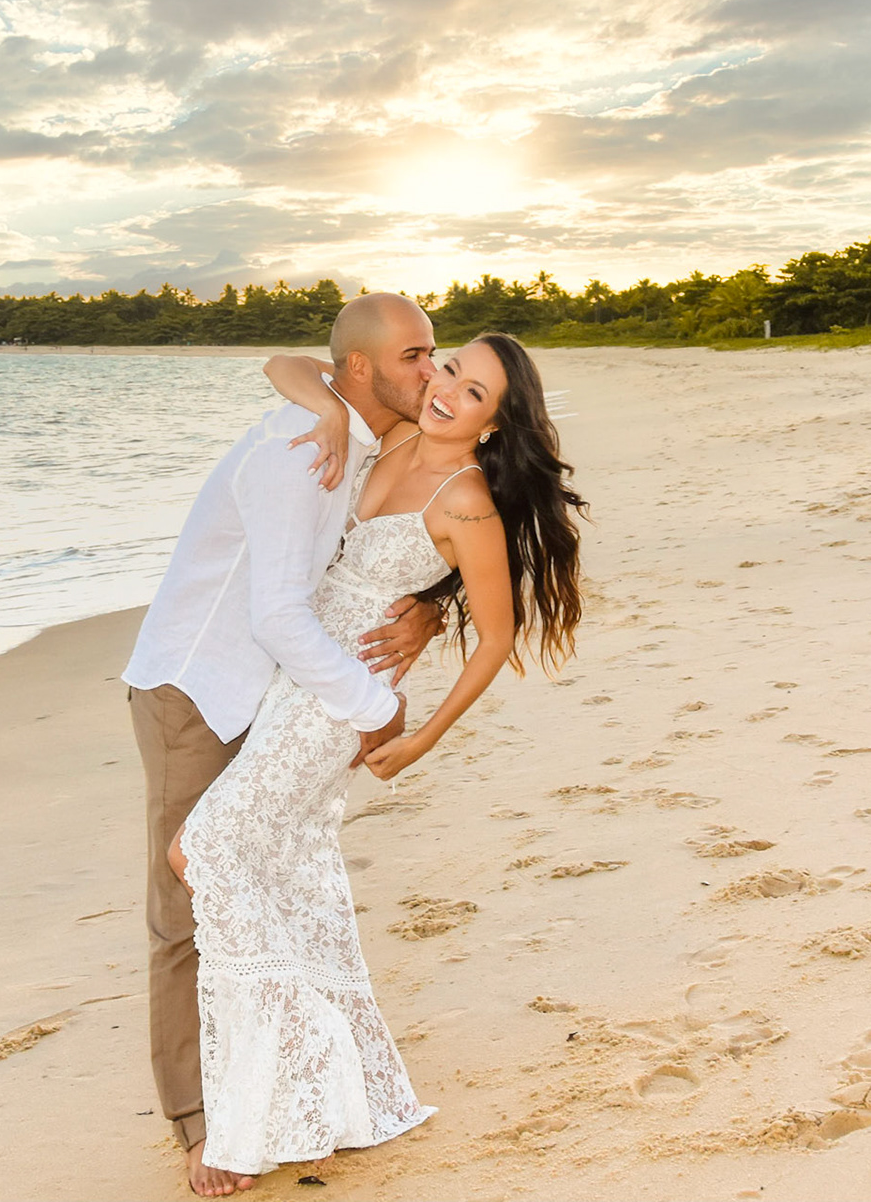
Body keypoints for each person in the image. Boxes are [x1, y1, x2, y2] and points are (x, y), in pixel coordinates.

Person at [168, 328, 587, 1183]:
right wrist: (327, 408)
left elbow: (498, 635)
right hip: (293, 676)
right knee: (287, 871)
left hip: (340, 699)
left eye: (475, 393)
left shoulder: (468, 501)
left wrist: (421, 737)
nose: (448, 390)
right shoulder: (395, 436)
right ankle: (335, 1088)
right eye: (450, 368)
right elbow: (287, 365)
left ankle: (285, 1079)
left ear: (495, 424)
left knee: (200, 849)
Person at [124, 293, 448, 1197]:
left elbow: (412, 534)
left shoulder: (369, 435)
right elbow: (276, 615)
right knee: (190, 899)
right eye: (415, 355)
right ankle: (201, 1123)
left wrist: (432, 606)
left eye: (434, 352)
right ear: (361, 370)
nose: (432, 369)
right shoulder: (302, 450)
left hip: (274, 695)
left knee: (272, 883)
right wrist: (372, 705)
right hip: (198, 690)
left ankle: (289, 1091)